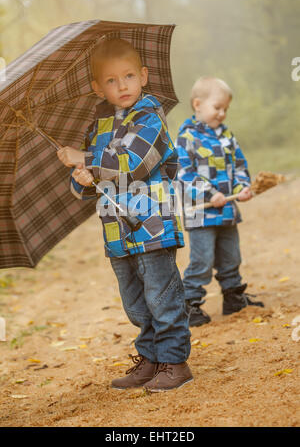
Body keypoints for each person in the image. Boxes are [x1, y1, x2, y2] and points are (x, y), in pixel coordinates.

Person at [57, 38, 193, 392]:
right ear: (97, 87)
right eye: (112, 80)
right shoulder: (98, 126)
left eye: (129, 76)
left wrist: (86, 160)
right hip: (117, 231)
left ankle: (174, 361)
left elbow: (133, 164)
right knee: (135, 302)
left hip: (151, 225)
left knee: (161, 296)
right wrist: (83, 177)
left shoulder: (150, 116)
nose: (122, 86)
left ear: (144, 76)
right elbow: (88, 187)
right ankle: (150, 360)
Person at [175, 76, 264, 327]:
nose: (222, 113)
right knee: (201, 260)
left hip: (227, 211)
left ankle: (233, 296)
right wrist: (208, 193)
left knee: (231, 256)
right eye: (217, 108)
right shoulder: (186, 138)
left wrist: (242, 188)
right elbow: (183, 174)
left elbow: (239, 167)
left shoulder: (227, 137)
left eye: (226, 109)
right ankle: (189, 304)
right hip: (202, 214)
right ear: (197, 104)